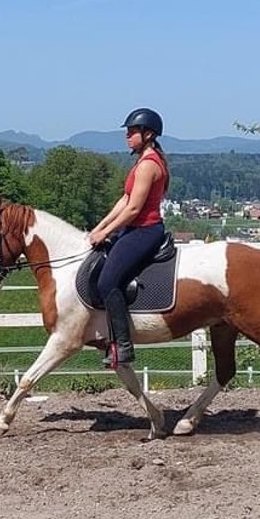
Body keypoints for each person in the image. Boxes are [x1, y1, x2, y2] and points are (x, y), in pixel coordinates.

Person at [87, 107, 169, 367]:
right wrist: (99, 228)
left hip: (145, 230)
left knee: (107, 282)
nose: (127, 136)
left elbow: (134, 209)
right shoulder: (140, 163)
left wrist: (107, 232)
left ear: (148, 134)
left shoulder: (148, 165)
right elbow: (124, 200)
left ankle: (123, 346)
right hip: (132, 228)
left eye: (132, 132)